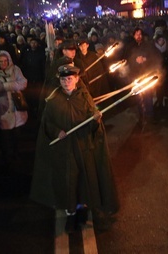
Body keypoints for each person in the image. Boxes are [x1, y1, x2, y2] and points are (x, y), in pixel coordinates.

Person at [30, 65, 119, 233]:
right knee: (69, 183)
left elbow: (93, 122)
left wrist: (96, 120)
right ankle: (71, 215)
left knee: (85, 180)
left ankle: (86, 210)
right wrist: (58, 131)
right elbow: (47, 122)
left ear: (77, 79)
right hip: (64, 151)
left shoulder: (85, 98)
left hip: (83, 148)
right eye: (63, 79)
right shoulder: (54, 98)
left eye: (69, 79)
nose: (66, 82)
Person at [0, 51, 28, 168]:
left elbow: (24, 82)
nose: (4, 63)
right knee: (5, 135)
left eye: (6, 61)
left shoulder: (15, 69)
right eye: (1, 61)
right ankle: (7, 156)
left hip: (16, 106)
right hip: (3, 107)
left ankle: (16, 153)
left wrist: (8, 85)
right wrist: (10, 85)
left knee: (17, 133)